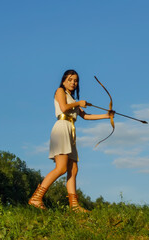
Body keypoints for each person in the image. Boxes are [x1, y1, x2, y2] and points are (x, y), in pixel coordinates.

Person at [28, 69, 113, 212]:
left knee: (73, 169)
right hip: (61, 128)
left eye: (76, 80)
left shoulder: (72, 99)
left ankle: (74, 206)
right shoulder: (60, 91)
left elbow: (85, 116)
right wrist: (79, 103)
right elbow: (63, 107)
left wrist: (107, 115)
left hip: (70, 131)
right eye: (70, 79)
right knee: (61, 168)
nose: (73, 82)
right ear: (63, 81)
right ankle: (36, 198)